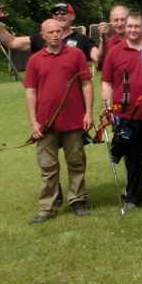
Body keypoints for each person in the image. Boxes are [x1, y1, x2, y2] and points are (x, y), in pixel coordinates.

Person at [23, 17, 93, 224]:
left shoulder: (76, 54)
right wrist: (33, 122)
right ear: (42, 36)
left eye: (58, 31)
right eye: (50, 32)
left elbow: (86, 84)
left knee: (76, 162)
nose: (55, 35)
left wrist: (88, 113)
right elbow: (30, 91)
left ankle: (77, 200)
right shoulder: (34, 60)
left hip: (73, 121)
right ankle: (47, 207)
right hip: (45, 124)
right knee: (48, 168)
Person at [97, 6, 142, 208]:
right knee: (132, 159)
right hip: (126, 115)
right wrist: (108, 108)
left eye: (137, 26)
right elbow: (107, 82)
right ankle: (134, 197)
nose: (132, 30)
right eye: (129, 26)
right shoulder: (114, 52)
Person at [0, 1, 99, 64]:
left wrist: (103, 39)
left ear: (72, 16)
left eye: (63, 12)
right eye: (56, 13)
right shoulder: (42, 37)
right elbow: (12, 42)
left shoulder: (82, 39)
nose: (59, 16)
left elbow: (98, 57)